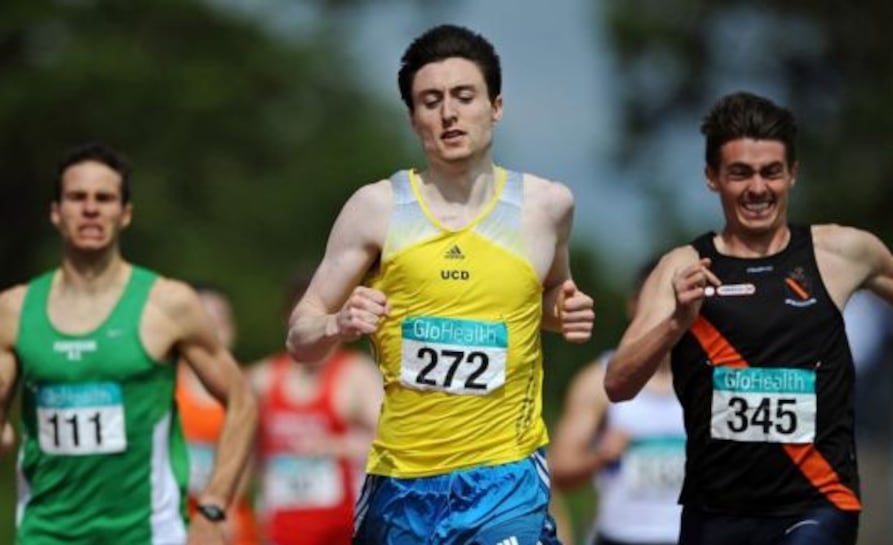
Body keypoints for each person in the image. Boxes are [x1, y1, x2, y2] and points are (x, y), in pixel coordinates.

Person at [603, 92, 893, 545]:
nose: (758, 188)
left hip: (818, 503)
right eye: (740, 173)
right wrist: (674, 325)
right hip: (716, 512)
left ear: (792, 174)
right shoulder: (681, 268)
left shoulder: (840, 253)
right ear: (711, 178)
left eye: (771, 172)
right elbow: (618, 384)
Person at [285, 24, 595, 545]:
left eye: (463, 96)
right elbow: (299, 337)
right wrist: (338, 323)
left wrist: (565, 313)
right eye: (430, 101)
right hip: (402, 483)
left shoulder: (547, 208)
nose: (448, 113)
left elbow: (549, 299)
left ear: (495, 106)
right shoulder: (375, 209)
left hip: (506, 477)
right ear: (413, 118)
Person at [0, 143, 258, 545]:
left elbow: (242, 401)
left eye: (104, 198)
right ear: (56, 212)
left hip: (147, 533)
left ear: (125, 214)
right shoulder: (14, 311)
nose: (90, 209)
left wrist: (213, 507)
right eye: (77, 197)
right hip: (45, 532)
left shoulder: (168, 304)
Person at [550, 258, 686, 545]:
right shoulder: (596, 382)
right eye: (654, 301)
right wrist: (600, 457)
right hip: (618, 538)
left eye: (673, 299)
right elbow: (559, 470)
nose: (664, 311)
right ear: (633, 305)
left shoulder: (713, 378)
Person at [249, 273, 382, 545]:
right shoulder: (262, 378)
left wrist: (338, 446)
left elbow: (393, 442)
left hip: (342, 531)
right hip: (278, 531)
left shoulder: (356, 375)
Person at [175, 286, 260, 545]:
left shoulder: (251, 386)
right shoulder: (162, 385)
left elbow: (256, 456)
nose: (212, 331)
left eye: (220, 322)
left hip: (228, 523)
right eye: (204, 322)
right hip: (174, 521)